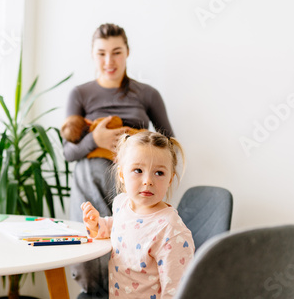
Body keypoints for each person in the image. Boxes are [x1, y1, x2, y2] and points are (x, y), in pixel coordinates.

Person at [63, 23, 175, 297]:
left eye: (116, 52)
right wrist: (95, 141)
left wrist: (135, 140)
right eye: (101, 53)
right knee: (93, 254)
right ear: (92, 54)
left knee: (126, 251)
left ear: (127, 52)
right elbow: (68, 153)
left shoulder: (147, 94)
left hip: (131, 187)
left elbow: (169, 144)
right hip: (90, 184)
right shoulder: (79, 94)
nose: (109, 61)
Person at [81, 131, 195, 298]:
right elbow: (120, 225)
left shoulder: (170, 230)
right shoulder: (122, 204)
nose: (148, 181)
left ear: (170, 179)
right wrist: (97, 225)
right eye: (138, 170)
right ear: (121, 175)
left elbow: (177, 290)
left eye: (159, 173)